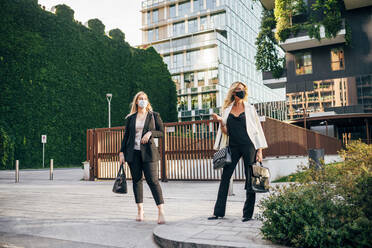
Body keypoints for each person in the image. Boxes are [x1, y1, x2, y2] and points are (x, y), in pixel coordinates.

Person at [208, 81, 268, 222]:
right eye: (238, 89)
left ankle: (247, 214)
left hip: (249, 146)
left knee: (250, 179)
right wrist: (220, 122)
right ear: (233, 92)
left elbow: (257, 130)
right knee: (225, 178)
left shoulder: (250, 108)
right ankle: (218, 212)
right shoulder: (227, 109)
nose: (241, 91)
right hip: (233, 147)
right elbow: (226, 132)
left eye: (243, 89)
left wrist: (259, 151)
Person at [119, 91, 165, 224]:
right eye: (140, 98)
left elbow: (161, 132)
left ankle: (161, 211)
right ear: (136, 101)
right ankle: (140, 210)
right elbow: (126, 137)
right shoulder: (131, 118)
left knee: (153, 181)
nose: (142, 100)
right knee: (136, 181)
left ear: (147, 101)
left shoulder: (154, 116)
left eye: (144, 98)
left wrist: (150, 133)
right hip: (133, 154)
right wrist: (121, 152)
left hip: (149, 154)